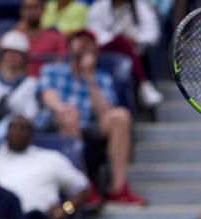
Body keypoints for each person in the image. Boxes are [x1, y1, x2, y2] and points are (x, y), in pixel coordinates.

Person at [38, 29, 143, 204]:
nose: (84, 44)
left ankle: (118, 188)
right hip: (55, 122)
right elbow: (48, 96)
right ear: (69, 46)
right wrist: (60, 108)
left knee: (120, 116)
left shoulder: (102, 77)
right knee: (69, 115)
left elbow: (105, 112)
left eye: (89, 41)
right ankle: (83, 187)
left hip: (89, 124)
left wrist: (89, 77)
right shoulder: (52, 69)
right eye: (79, 40)